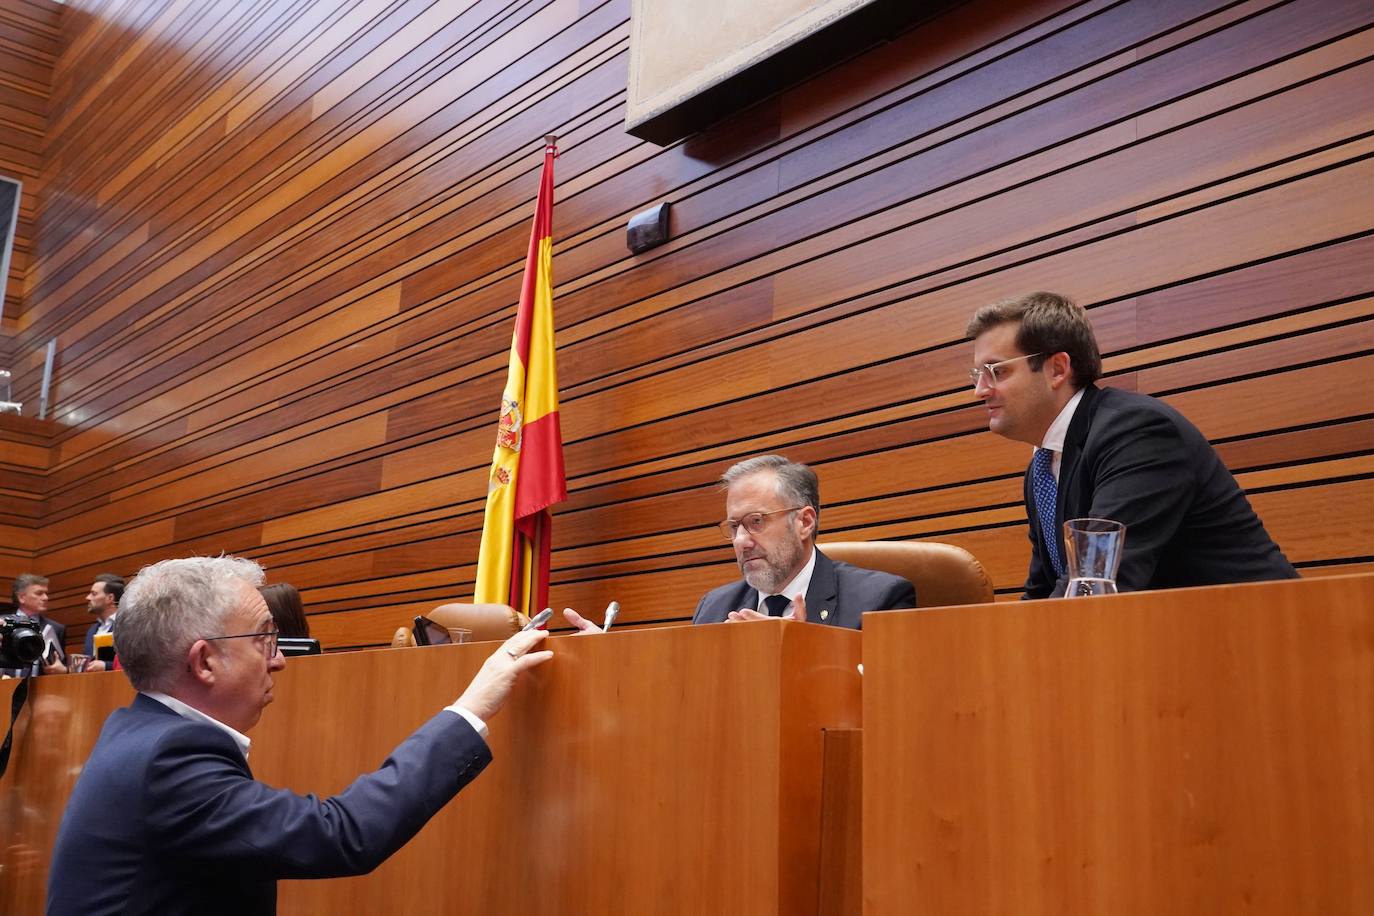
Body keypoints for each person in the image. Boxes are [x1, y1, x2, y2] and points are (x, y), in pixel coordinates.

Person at [47, 556, 552, 915]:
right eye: (265, 639)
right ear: (204, 661)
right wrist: (474, 705)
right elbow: (342, 835)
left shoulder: (137, 729)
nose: (281, 660)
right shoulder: (168, 758)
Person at [966, 291, 1299, 598]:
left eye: (996, 371)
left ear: (1057, 369)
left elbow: (1099, 584)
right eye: (978, 374)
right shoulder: (1044, 465)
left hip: (1264, 640)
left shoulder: (1136, 432)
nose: (980, 390)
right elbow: (1045, 590)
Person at [565, 455, 915, 633]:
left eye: (756, 522)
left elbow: (886, 712)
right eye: (734, 527)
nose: (741, 541)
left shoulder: (879, 600)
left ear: (804, 522)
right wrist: (609, 661)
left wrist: (804, 653)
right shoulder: (716, 607)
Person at [4, 573, 65, 677]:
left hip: (41, 689)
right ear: (22, 597)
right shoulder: (2, 622)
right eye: (39, 593)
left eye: (46, 593)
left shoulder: (56, 629)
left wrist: (63, 670)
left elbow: (61, 665)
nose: (45, 598)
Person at [81, 574, 124, 672]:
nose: (88, 597)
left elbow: (133, 661)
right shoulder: (92, 630)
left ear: (110, 598)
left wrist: (106, 666)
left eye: (94, 593)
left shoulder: (126, 626)